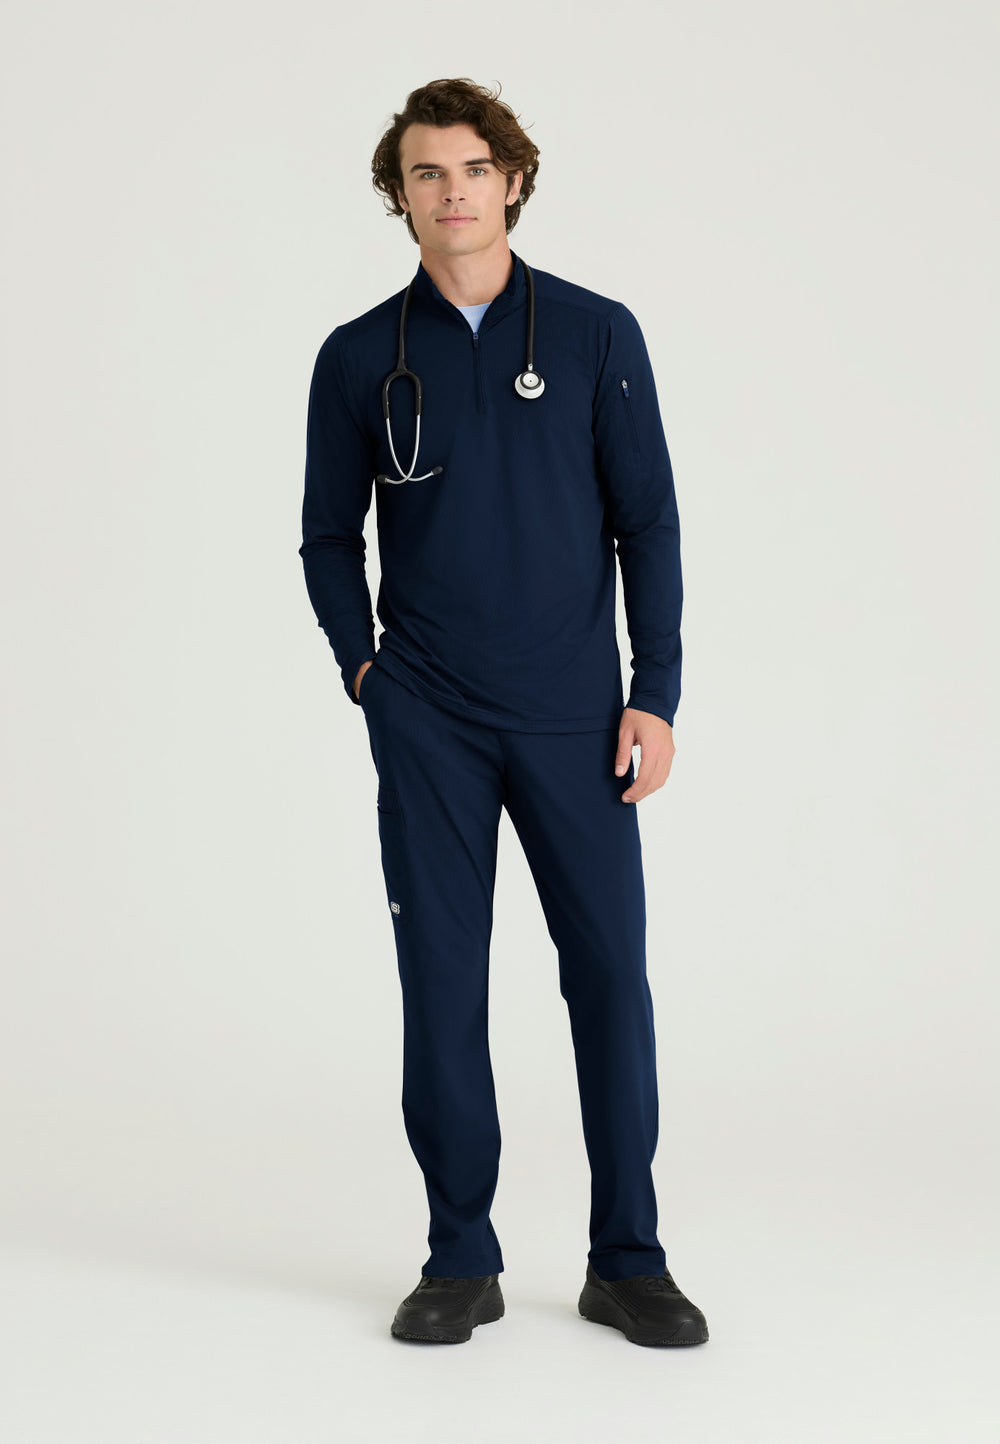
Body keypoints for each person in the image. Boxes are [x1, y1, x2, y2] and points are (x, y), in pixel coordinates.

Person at [298, 76, 709, 1349]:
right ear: (400, 193)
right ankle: (458, 1255)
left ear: (513, 179)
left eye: (473, 168)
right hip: (428, 719)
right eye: (426, 173)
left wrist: (653, 694)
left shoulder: (593, 335)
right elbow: (327, 535)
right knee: (441, 984)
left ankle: (627, 1257)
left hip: (575, 718)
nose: (452, 193)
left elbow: (647, 522)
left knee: (610, 980)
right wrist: (365, 670)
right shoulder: (361, 356)